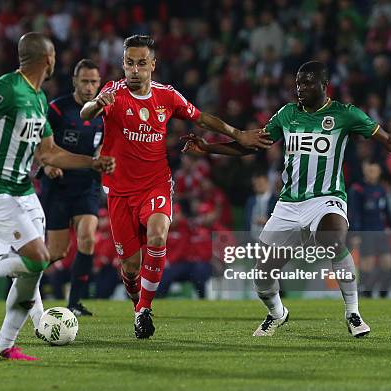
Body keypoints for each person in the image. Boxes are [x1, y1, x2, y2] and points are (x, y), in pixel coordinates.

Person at [182, 61, 391, 338]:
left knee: (333, 238)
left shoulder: (344, 114)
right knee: (262, 274)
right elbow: (251, 146)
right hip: (288, 204)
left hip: (327, 198)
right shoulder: (287, 114)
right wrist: (209, 148)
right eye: (298, 82)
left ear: (325, 86)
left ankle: (353, 313)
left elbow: (389, 140)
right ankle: (277, 313)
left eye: (308, 82)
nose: (301, 88)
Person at [80, 34, 272, 339]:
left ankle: (144, 309)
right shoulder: (112, 92)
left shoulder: (167, 96)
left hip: (156, 184)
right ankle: (136, 304)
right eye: (129, 63)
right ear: (123, 64)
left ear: (153, 65)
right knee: (130, 267)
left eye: (141, 63)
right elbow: (85, 112)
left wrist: (238, 133)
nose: (134, 69)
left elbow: (202, 118)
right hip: (119, 191)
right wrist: (96, 103)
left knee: (158, 234)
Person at [0, 32, 114, 361]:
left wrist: (92, 162)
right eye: (54, 55)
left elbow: (50, 153)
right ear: (48, 59)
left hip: (23, 190)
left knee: (34, 270)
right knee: (38, 257)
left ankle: (4, 346)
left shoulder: (39, 98)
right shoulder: (6, 88)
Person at [40, 58, 104, 316]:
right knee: (56, 252)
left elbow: (104, 143)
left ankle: (74, 302)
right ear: (75, 81)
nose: (90, 87)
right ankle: (17, 276)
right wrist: (46, 166)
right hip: (57, 185)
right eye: (85, 81)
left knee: (88, 237)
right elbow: (40, 143)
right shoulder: (57, 110)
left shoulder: (103, 113)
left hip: (87, 183)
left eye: (94, 82)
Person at [348, 159, 391, 297]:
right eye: (369, 170)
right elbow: (354, 213)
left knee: (387, 262)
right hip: (365, 231)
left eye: (374, 170)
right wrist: (355, 233)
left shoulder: (381, 189)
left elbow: (386, 211)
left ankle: (383, 291)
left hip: (380, 230)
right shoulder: (357, 189)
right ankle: (364, 291)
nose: (372, 173)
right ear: (364, 171)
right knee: (367, 263)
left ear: (379, 172)